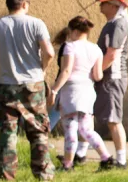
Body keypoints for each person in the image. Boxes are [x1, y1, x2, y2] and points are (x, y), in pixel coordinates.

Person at [0, 0, 56, 181]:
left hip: (7, 86)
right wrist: (42, 68)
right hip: (34, 85)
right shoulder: (37, 24)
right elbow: (49, 53)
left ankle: (5, 174)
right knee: (38, 130)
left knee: (7, 132)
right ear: (24, 4)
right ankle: (43, 173)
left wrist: (0, 66)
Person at [48, 16, 112, 171]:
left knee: (70, 129)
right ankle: (106, 158)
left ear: (73, 31)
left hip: (71, 92)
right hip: (87, 92)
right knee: (87, 130)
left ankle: (68, 164)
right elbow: (98, 76)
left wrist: (54, 90)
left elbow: (66, 71)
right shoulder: (96, 49)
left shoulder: (70, 47)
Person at [93, 0, 128, 170]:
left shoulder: (119, 24)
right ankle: (79, 155)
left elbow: (111, 55)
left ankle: (121, 161)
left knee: (114, 120)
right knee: (95, 116)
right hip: (107, 77)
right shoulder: (113, 22)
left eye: (105, 2)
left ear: (115, 5)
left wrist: (95, 73)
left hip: (112, 77)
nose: (101, 5)